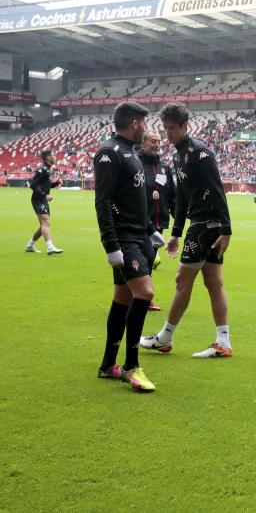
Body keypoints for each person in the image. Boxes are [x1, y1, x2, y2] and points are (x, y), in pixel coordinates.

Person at [140, 103, 233, 358]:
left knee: (183, 279)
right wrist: (176, 233)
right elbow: (181, 198)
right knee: (213, 281)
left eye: (171, 128)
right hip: (200, 224)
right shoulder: (179, 155)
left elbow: (217, 189)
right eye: (165, 128)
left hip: (206, 225)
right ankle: (223, 342)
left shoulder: (199, 153)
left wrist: (227, 228)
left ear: (184, 126)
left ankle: (165, 338)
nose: (167, 133)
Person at [94, 101, 162, 392]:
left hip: (139, 235)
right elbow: (104, 201)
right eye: (144, 123)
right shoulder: (109, 152)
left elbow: (134, 200)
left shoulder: (129, 152)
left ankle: (109, 365)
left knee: (122, 298)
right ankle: (131, 367)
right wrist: (111, 245)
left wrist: (150, 230)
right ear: (134, 122)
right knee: (145, 292)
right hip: (123, 237)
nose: (146, 128)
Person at [137, 129, 176, 311]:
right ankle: (139, 296)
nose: (157, 145)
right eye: (153, 141)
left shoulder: (164, 167)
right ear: (143, 142)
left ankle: (142, 297)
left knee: (149, 259)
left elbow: (172, 196)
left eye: (159, 142)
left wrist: (179, 221)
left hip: (158, 224)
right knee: (141, 260)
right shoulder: (135, 164)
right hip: (139, 223)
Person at [25, 149, 63, 255]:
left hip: (42, 199)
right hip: (38, 200)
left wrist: (56, 184)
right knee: (46, 222)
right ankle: (50, 247)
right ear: (48, 157)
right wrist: (45, 195)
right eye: (53, 155)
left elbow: (45, 185)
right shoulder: (42, 169)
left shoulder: (47, 169)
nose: (55, 157)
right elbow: (33, 185)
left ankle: (29, 245)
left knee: (43, 224)